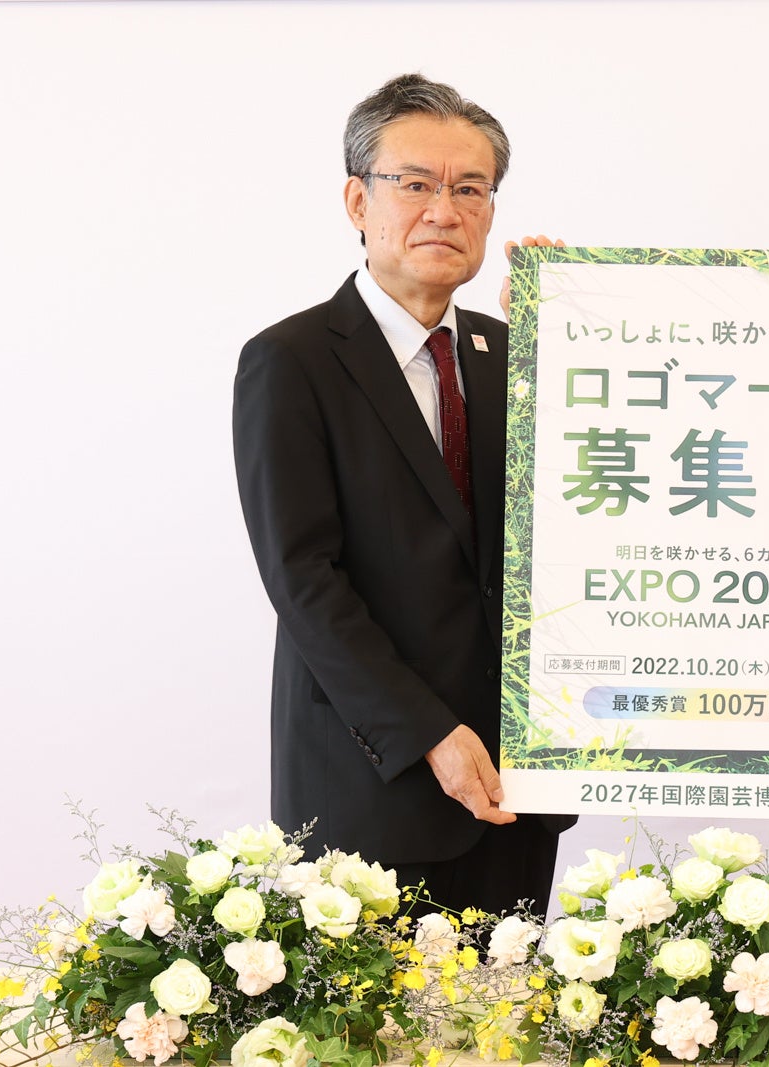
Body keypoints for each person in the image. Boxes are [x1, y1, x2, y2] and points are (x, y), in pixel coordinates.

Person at [233, 74, 569, 918]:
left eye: (470, 189)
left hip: (515, 790)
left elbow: (594, 513)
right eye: (415, 184)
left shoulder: (523, 355)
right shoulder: (292, 361)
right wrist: (429, 734)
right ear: (358, 200)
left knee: (512, 1005)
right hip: (369, 783)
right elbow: (304, 581)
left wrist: (570, 339)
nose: (443, 211)